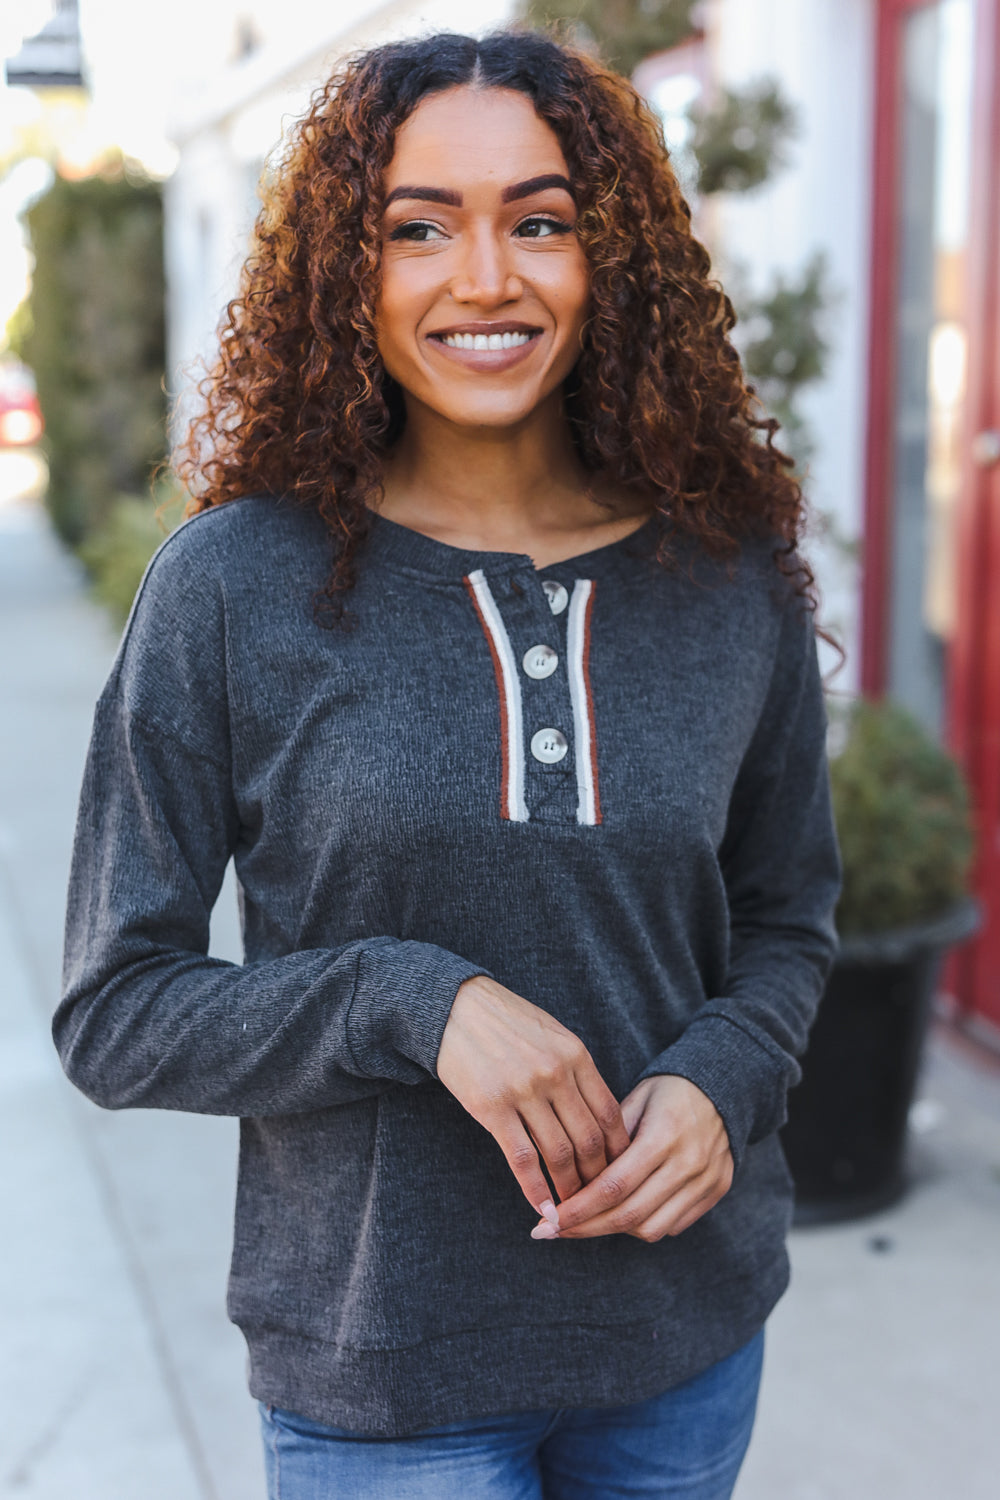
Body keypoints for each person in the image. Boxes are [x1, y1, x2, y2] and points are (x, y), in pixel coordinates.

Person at [55, 28, 842, 1500]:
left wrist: (721, 1082)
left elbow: (789, 915)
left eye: (540, 222)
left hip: (684, 1343)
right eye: (419, 229)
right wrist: (412, 998)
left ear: (611, 259)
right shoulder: (237, 587)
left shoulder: (728, 575)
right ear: (347, 272)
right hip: (388, 1377)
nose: (488, 279)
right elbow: (117, 1015)